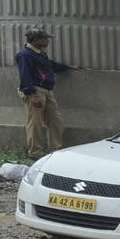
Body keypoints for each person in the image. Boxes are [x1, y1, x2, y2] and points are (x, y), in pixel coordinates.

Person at [15, 28, 82, 161]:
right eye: (44, 38)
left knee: (56, 121)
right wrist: (32, 94)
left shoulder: (39, 53)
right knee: (35, 123)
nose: (47, 41)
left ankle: (56, 150)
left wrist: (68, 67)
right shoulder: (25, 55)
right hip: (35, 90)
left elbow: (50, 65)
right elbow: (25, 75)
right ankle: (35, 152)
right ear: (35, 40)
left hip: (47, 90)